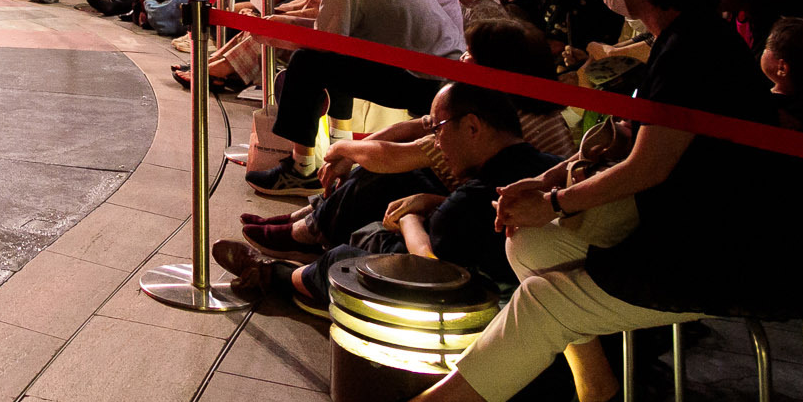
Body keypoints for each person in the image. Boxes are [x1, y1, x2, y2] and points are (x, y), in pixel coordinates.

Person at [338, 0, 798, 402]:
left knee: (545, 301)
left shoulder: (693, 48)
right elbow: (637, 145)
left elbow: (649, 167)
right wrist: (548, 182)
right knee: (529, 241)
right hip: (691, 224)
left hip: (723, 253)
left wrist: (555, 200)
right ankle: (600, 397)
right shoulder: (686, 38)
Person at [216, 82, 559, 307]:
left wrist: (410, 216)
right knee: (386, 182)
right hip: (487, 269)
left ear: (472, 127)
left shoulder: (471, 200)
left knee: (348, 256)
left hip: (462, 295)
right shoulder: (545, 166)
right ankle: (307, 232)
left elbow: (428, 263)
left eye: (439, 130)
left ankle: (274, 275)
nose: (436, 141)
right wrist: (429, 201)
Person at [246, 0, 465, 196]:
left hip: (426, 80)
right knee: (327, 59)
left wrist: (279, 34)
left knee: (307, 63)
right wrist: (285, 23)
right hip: (437, 68)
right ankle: (335, 144)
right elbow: (338, 30)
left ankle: (301, 169)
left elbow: (327, 42)